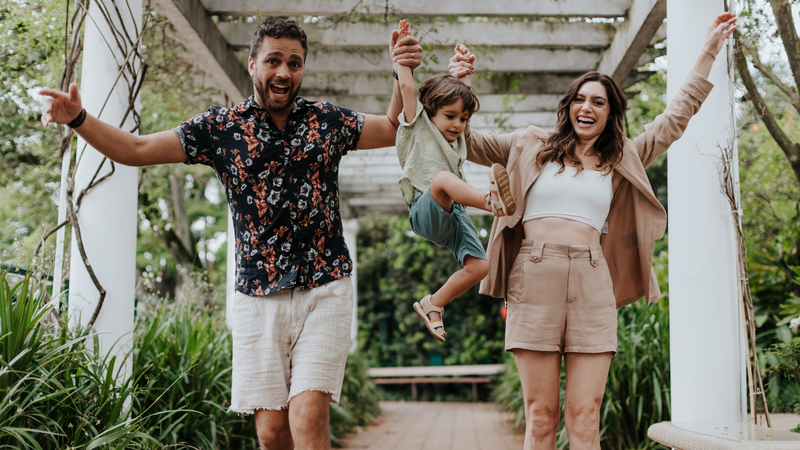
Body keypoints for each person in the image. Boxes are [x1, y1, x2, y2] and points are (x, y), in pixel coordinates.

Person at [40, 18, 422, 450]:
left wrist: (400, 71)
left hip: (325, 285)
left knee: (308, 414)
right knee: (272, 432)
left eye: (294, 63)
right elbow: (136, 150)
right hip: (257, 294)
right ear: (253, 63)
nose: (283, 72)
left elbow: (393, 129)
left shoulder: (326, 121)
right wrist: (79, 119)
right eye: (273, 60)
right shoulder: (221, 128)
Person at [448, 12, 737, 450]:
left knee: (585, 418)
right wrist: (461, 85)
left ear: (609, 113)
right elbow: (462, 138)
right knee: (541, 418)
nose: (587, 107)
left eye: (599, 102)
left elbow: (674, 119)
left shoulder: (623, 159)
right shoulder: (530, 144)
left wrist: (709, 50)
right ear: (567, 106)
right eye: (580, 99)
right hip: (534, 273)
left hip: (591, 279)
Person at [393, 21, 516, 342]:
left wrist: (463, 69)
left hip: (453, 214)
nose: (458, 124)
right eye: (450, 117)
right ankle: (492, 203)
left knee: (480, 267)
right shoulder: (416, 124)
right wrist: (401, 57)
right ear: (430, 111)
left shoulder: (459, 137)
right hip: (425, 208)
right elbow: (408, 89)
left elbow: (464, 100)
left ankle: (433, 304)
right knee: (444, 179)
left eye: (463, 119)